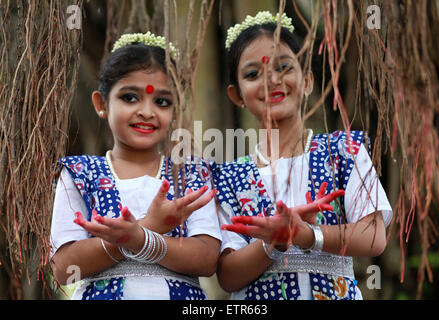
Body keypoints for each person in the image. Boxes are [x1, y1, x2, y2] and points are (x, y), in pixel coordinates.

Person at [212, 11, 393, 300]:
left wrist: (306, 235)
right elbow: (228, 275)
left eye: (284, 67)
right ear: (237, 96)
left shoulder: (345, 150)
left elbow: (374, 236)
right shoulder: (228, 176)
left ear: (307, 80)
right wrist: (272, 243)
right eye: (252, 74)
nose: (272, 79)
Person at [50, 31, 221, 300]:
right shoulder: (79, 174)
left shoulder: (191, 173)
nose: (147, 111)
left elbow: (208, 259)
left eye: (162, 101)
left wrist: (139, 237)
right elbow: (65, 267)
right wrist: (148, 227)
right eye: (130, 97)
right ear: (101, 103)